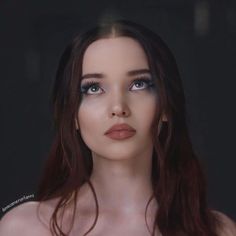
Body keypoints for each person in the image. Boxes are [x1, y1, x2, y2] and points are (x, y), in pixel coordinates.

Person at [0, 19, 235, 236]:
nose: (118, 108)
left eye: (139, 84)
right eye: (93, 88)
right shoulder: (25, 227)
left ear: (165, 106)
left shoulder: (216, 230)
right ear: (72, 114)